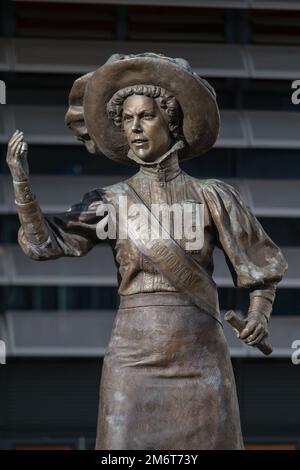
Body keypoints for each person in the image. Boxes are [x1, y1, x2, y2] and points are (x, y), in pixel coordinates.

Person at [6, 53, 287, 450]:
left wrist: (259, 314)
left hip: (200, 352)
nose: (134, 129)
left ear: (170, 121)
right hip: (133, 357)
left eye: (145, 117)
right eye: (126, 120)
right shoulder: (109, 201)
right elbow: (45, 244)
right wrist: (22, 185)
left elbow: (262, 269)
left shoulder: (212, 196)